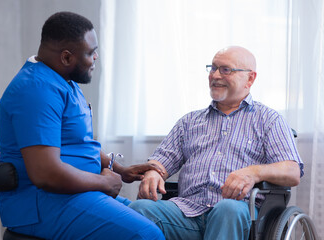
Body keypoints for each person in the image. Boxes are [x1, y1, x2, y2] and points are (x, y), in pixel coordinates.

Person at [0, 11, 165, 240]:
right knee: (146, 235)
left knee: (161, 222)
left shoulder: (64, 81)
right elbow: (45, 174)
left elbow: (78, 142)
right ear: (66, 58)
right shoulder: (36, 90)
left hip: (75, 195)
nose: (96, 58)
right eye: (91, 52)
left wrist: (120, 170)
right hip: (42, 204)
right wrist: (104, 183)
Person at [129, 46, 304, 240]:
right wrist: (153, 171)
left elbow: (292, 171)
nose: (215, 75)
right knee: (139, 209)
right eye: (213, 68)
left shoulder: (269, 120)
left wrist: (253, 172)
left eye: (225, 70)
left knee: (227, 209)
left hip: (238, 213)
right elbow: (161, 160)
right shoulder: (190, 122)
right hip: (187, 212)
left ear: (250, 79)